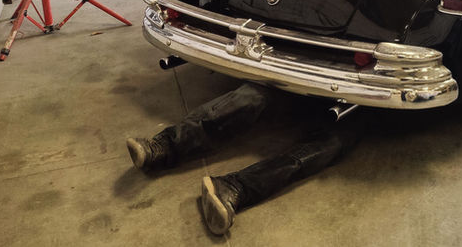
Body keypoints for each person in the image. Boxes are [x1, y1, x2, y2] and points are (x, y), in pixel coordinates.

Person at [125, 83, 361, 235]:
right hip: (307, 74)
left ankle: (233, 189)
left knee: (331, 145)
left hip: (358, 102)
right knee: (253, 96)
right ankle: (163, 147)